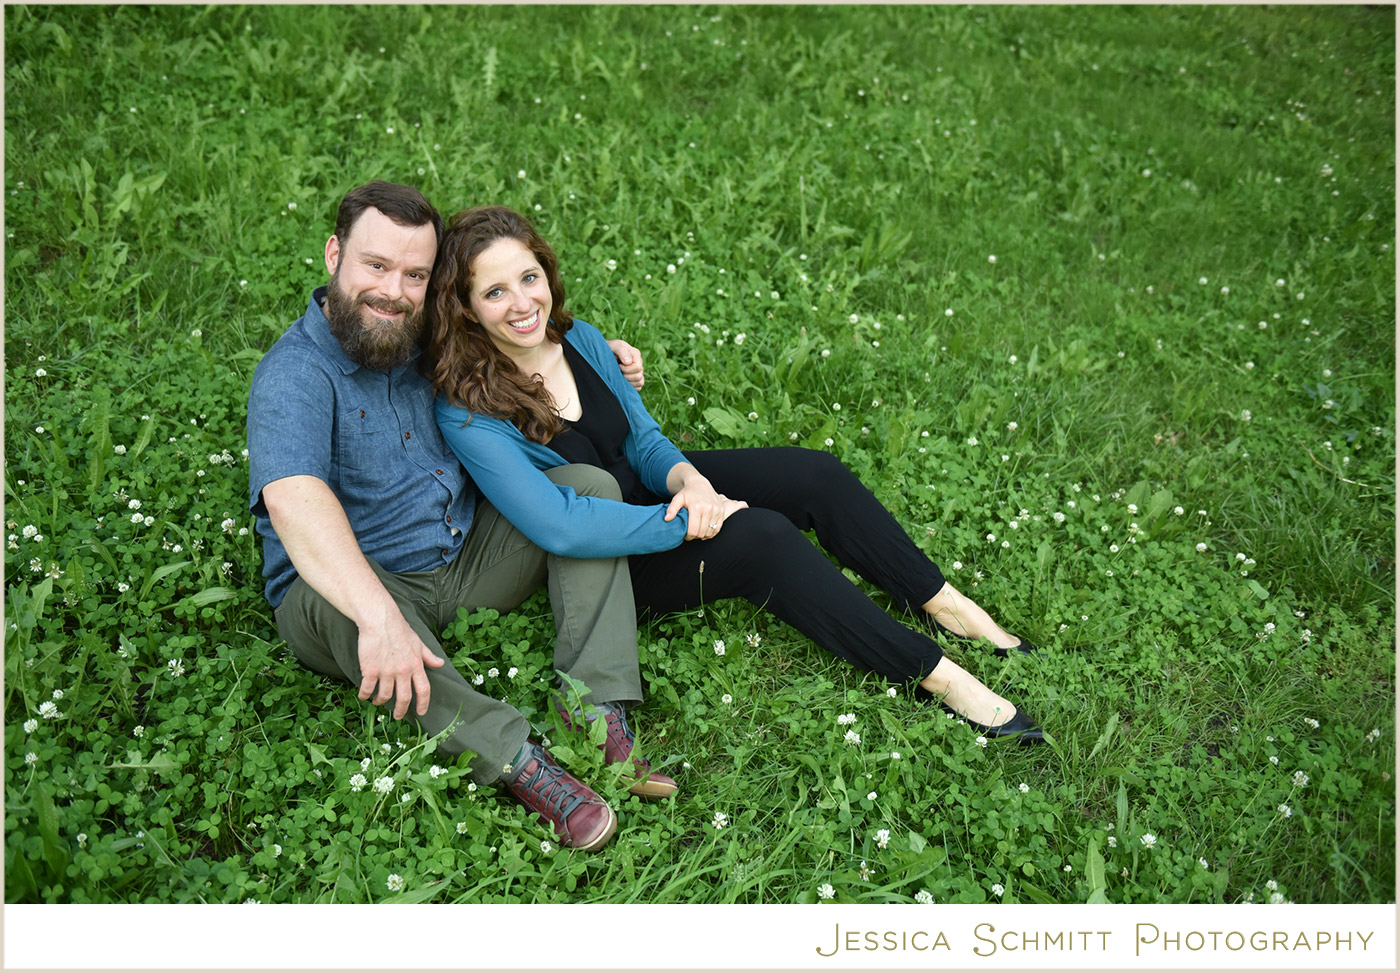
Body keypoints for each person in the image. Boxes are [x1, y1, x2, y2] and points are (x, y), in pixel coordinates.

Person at [425, 205, 1045, 742]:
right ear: (467, 309)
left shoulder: (581, 339)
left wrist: (691, 484)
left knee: (814, 473)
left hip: (660, 499)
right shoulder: (469, 410)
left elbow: (644, 442)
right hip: (612, 559)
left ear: (547, 273)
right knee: (763, 537)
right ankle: (936, 676)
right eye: (494, 292)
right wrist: (690, 522)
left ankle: (945, 604)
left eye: (529, 277)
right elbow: (559, 526)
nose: (523, 303)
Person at [246, 182, 676, 854]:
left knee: (587, 486)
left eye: (415, 275)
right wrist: (379, 618)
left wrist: (601, 357)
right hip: (360, 587)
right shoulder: (294, 374)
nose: (394, 291)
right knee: (336, 599)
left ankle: (594, 706)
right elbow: (294, 501)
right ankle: (519, 761)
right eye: (376, 265)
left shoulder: (424, 334)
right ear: (334, 255)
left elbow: (518, 326)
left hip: (466, 558)